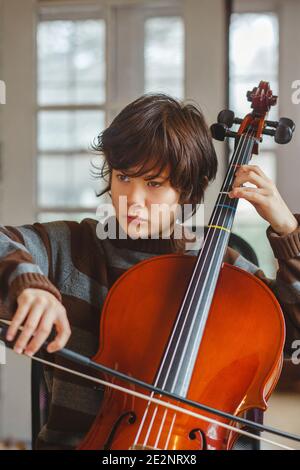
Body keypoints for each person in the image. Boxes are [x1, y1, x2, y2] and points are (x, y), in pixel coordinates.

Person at [0, 94, 299, 450]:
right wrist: (28, 284)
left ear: (186, 190)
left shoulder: (226, 272)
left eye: (154, 184)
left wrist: (288, 234)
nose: (132, 199)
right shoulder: (72, 246)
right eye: (123, 176)